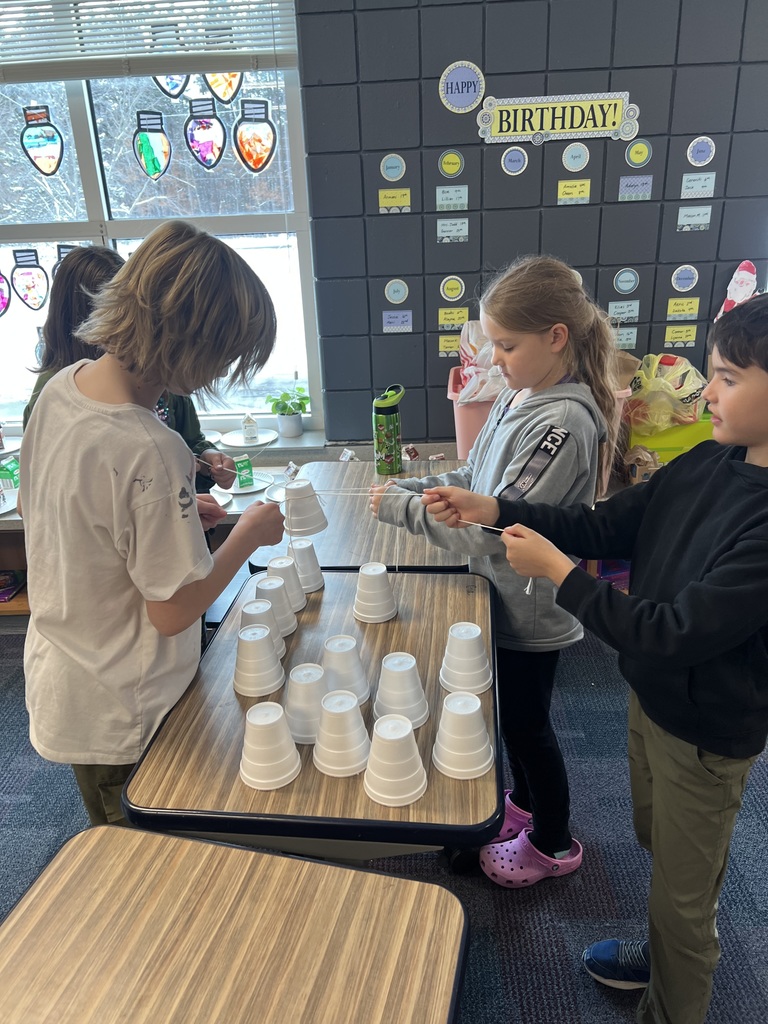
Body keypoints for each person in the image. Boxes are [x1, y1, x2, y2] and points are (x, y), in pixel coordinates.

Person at [419, 295, 768, 1024]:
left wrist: (560, 574)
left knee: (683, 891)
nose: (708, 391)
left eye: (728, 377)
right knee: (659, 845)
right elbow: (603, 523)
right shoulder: (709, 460)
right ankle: (667, 945)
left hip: (706, 730)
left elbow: (671, 630)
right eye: (712, 373)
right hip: (653, 699)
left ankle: (675, 979)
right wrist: (498, 511)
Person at [19, 221, 285, 827]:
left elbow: (81, 520)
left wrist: (178, 520)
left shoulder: (61, 390)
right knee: (146, 867)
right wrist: (247, 536)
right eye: (228, 354)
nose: (225, 371)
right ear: (195, 343)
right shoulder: (151, 447)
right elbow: (172, 610)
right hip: (125, 705)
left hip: (70, 672)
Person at [370, 255, 619, 885]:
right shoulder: (516, 394)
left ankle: (554, 843)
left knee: (529, 726)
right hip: (497, 599)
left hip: (531, 609)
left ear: (556, 336)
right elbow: (475, 482)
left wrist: (404, 512)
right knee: (513, 718)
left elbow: (493, 530)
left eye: (507, 345)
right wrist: (418, 486)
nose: (497, 359)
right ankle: (526, 807)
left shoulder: (562, 422)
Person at [23, 245, 236, 491]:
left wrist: (207, 458)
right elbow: (38, 492)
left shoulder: (159, 372)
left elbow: (191, 441)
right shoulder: (55, 392)